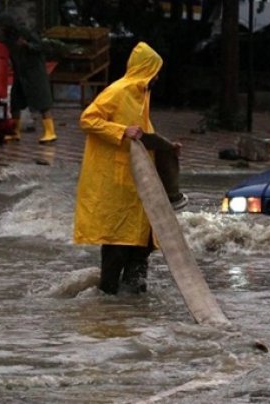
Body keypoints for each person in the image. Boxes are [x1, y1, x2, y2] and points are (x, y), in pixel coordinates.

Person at [73, 41, 186, 295]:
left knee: (143, 244)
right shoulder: (118, 91)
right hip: (117, 184)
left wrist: (167, 147)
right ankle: (108, 300)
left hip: (138, 186)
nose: (157, 76)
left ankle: (133, 305)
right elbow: (87, 119)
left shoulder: (141, 95)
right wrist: (121, 131)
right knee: (117, 243)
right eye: (154, 70)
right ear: (146, 68)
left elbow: (143, 133)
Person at [0, 13, 56, 144]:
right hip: (20, 72)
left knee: (42, 101)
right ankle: (15, 131)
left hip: (34, 71)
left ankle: (50, 132)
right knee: (16, 101)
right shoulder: (6, 38)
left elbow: (40, 47)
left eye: (1, 27)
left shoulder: (24, 32)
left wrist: (27, 44)